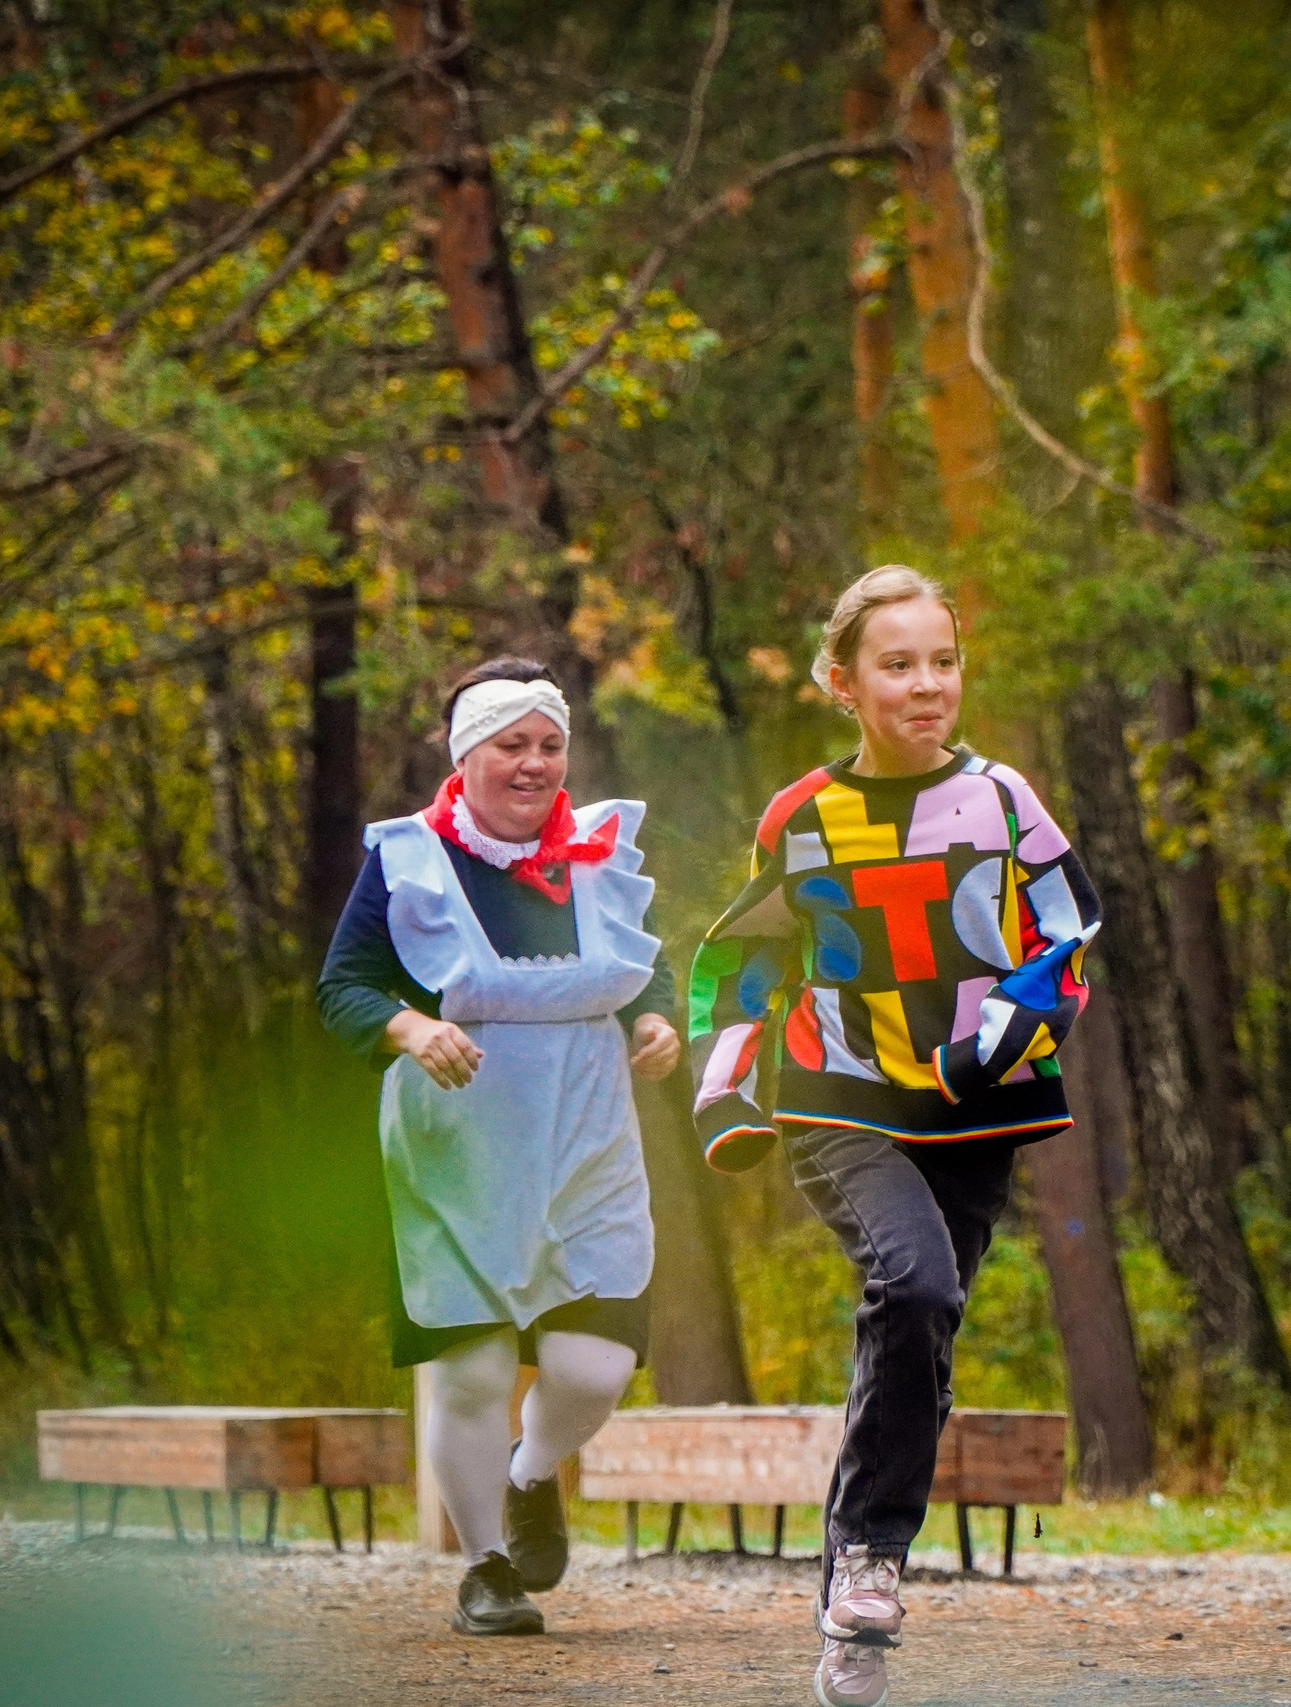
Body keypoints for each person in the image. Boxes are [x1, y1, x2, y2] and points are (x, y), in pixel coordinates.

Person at [687, 567, 1099, 1707]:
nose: (926, 686)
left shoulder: (1004, 800)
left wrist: (1013, 1025)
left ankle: (849, 1627)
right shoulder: (802, 818)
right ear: (842, 682)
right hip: (842, 1095)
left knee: (919, 1331)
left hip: (977, 1103)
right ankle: (871, 1555)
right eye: (898, 664)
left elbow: (1067, 929)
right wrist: (727, 1095)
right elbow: (744, 959)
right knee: (912, 1288)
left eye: (943, 662)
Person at [317, 657, 681, 1637]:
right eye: (510, 744)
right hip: (458, 1144)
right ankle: (485, 1566)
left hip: (587, 1138)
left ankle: (532, 1475)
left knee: (592, 1367)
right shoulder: (408, 864)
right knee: (472, 1369)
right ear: (465, 754)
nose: (532, 764)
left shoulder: (602, 853)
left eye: (548, 744)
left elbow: (646, 974)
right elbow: (343, 988)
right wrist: (410, 1030)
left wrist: (656, 1024)